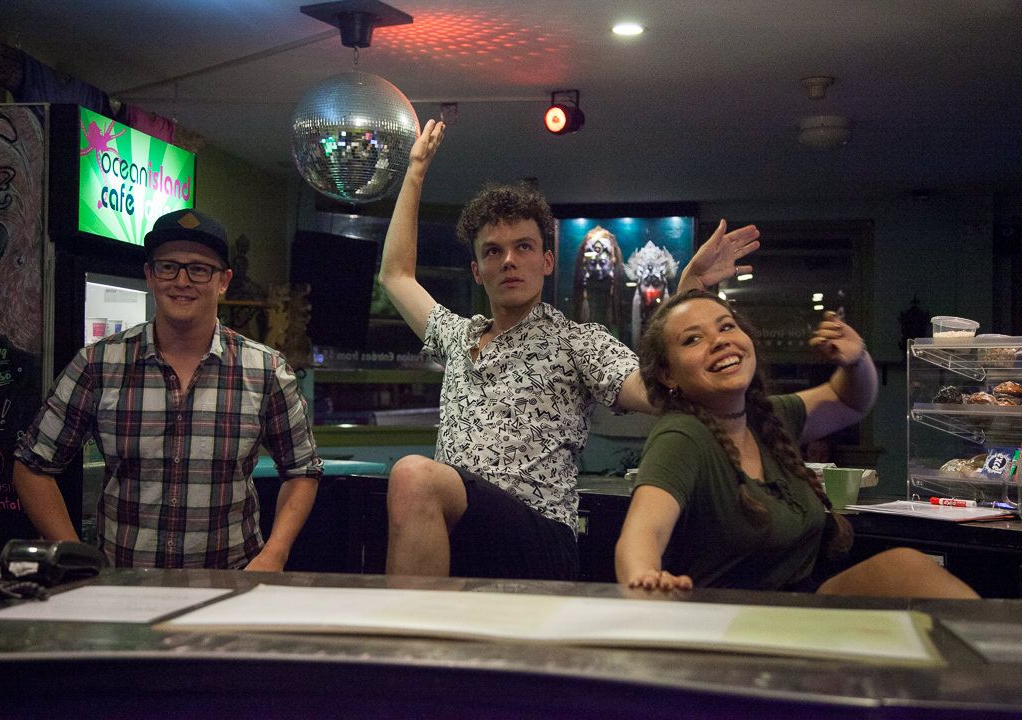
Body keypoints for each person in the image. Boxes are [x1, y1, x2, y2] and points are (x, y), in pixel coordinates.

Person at [377, 119, 761, 580]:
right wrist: (415, 171)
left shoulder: (576, 342)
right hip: (465, 529)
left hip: (539, 539)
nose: (510, 260)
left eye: (523, 247)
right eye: (493, 251)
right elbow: (396, 275)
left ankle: (409, 628)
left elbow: (659, 390)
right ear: (477, 271)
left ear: (547, 261)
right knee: (414, 488)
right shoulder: (458, 337)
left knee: (414, 475)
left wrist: (689, 292)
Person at [614, 289, 978, 598]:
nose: (720, 340)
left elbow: (849, 400)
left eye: (726, 326)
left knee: (905, 567)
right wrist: (646, 581)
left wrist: (856, 359)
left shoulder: (767, 417)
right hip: (733, 625)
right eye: (692, 339)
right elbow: (643, 532)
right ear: (667, 374)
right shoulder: (682, 436)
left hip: (794, 608)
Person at [13, 209, 322, 570]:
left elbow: (302, 470)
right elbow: (32, 465)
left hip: (232, 584)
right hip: (123, 586)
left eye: (199, 269)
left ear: (223, 281)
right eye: (168, 267)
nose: (182, 281)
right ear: (150, 275)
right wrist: (73, 556)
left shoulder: (266, 370)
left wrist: (274, 554)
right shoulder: (98, 364)